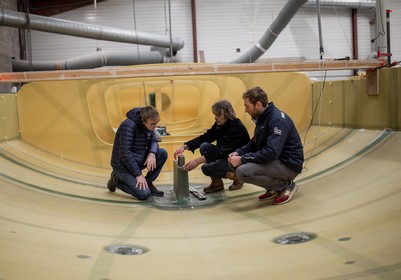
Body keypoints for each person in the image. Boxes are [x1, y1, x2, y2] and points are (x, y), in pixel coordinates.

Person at [228, 86, 304, 205]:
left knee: (243, 171)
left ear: (258, 104)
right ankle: (273, 189)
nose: (246, 110)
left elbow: (271, 152)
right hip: (276, 160)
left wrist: (242, 159)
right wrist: (238, 153)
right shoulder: (263, 118)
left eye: (247, 106)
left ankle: (285, 185)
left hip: (288, 164)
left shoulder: (276, 120)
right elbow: (254, 142)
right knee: (233, 164)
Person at [174, 99, 250, 193]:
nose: (215, 118)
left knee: (206, 168)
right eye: (215, 115)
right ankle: (217, 183)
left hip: (237, 161)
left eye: (218, 115)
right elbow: (206, 137)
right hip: (226, 156)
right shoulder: (221, 123)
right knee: (204, 146)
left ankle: (237, 176)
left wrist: (197, 161)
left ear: (226, 114)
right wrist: (185, 146)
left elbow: (222, 151)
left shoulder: (236, 127)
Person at [107, 106, 168, 200]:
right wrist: (138, 175)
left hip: (137, 160)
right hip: (123, 166)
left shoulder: (149, 125)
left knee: (162, 153)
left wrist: (152, 153)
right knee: (144, 194)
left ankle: (147, 182)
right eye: (152, 124)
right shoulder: (128, 126)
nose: (155, 126)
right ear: (143, 121)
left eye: (157, 123)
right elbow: (125, 153)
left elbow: (154, 141)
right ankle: (117, 180)